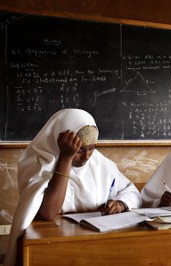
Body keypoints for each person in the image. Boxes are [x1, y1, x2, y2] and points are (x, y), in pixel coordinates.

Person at [4, 108, 141, 266]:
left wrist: (121, 203)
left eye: (91, 148)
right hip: (52, 245)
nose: (86, 156)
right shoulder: (40, 162)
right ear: (60, 141)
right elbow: (48, 213)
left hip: (95, 240)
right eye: (80, 149)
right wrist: (65, 158)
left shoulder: (98, 162)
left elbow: (131, 192)